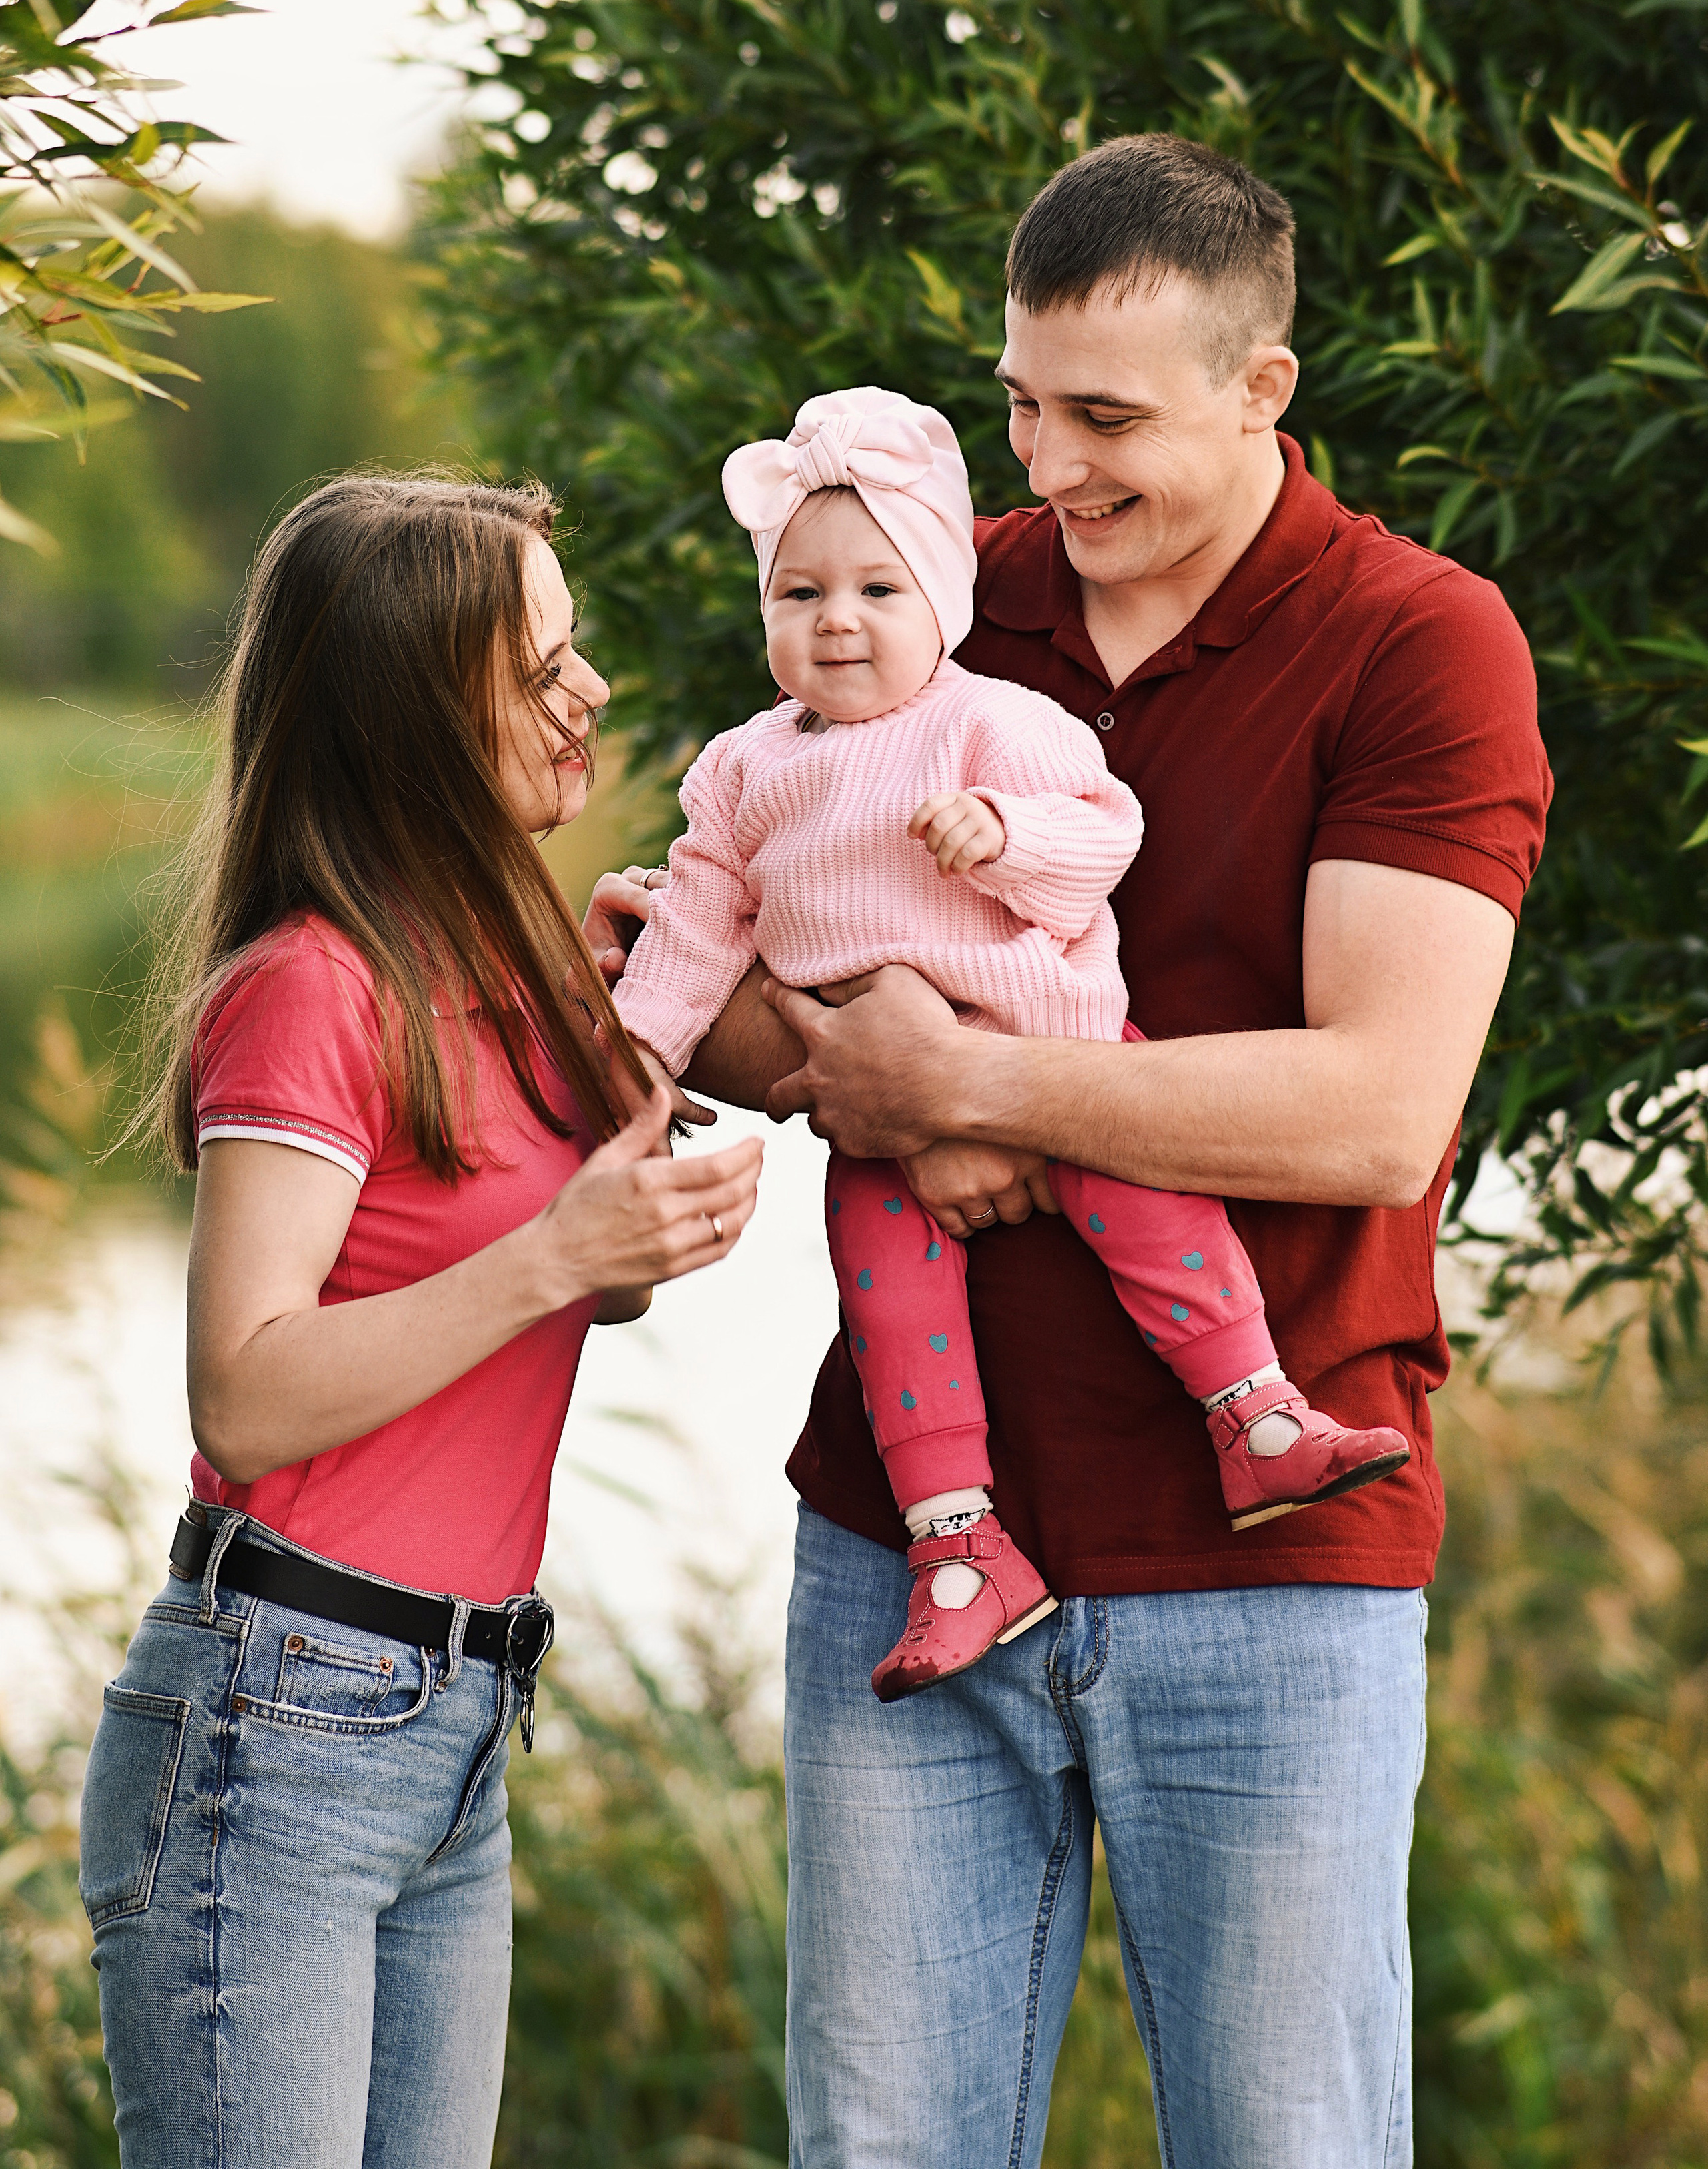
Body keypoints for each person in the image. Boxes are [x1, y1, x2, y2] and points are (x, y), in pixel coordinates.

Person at [590, 135, 1552, 2168]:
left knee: (1286, 2142)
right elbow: (725, 952)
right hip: (907, 1540)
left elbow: (1376, 1108)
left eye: (1105, 418)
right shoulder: (940, 595)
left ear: (1263, 388)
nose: (1049, 466)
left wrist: (973, 1088)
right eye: (1023, 403)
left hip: (1272, 1562)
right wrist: (854, 1067)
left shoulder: (1417, 643)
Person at [79, 474, 764, 2169]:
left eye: (574, 653)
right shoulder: (313, 988)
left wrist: (622, 1235)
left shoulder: (506, 968)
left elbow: (520, 1294)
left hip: (451, 1722)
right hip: (278, 1722)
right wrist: (556, 1255)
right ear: (413, 708)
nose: (587, 693)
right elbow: (244, 1394)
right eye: (540, 668)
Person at [608, 382, 1410, 1706]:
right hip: (875, 1114)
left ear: (939, 602)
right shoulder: (744, 769)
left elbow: (1102, 838)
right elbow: (698, 919)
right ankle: (959, 1547)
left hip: (1059, 1054)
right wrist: (642, 1049)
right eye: (798, 597)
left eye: (875, 591)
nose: (837, 623)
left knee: (1153, 1217)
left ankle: (1256, 1416)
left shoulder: (987, 724)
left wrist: (1002, 836)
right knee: (890, 1304)